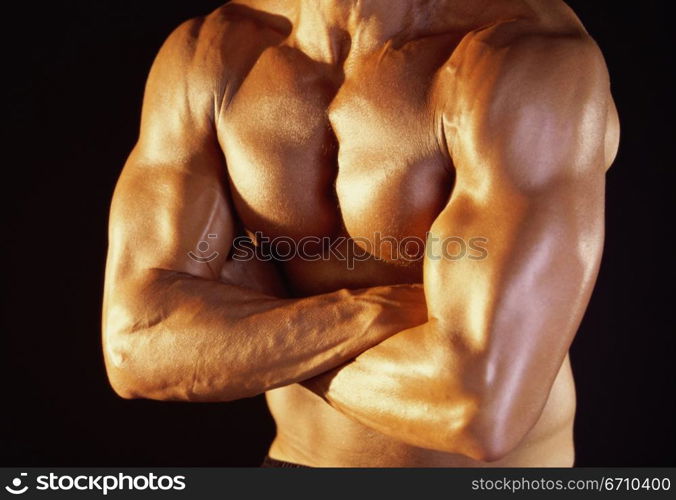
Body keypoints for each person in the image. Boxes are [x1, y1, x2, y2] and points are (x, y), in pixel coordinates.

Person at [102, 0, 620, 467]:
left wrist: (246, 337)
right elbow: (137, 346)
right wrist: (374, 313)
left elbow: (476, 408)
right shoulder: (211, 54)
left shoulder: (526, 59)